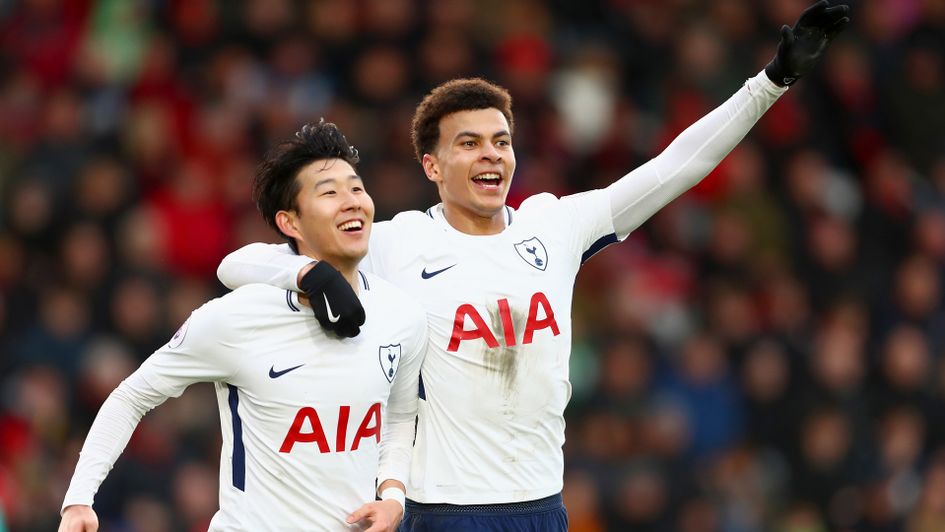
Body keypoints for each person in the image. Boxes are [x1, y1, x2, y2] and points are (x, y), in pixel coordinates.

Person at [216, 2, 850, 530]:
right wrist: (306, 275)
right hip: (439, 512)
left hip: (542, 508)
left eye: (501, 141)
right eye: (468, 143)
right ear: (432, 166)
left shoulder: (554, 225)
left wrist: (770, 82)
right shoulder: (392, 244)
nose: (491, 155)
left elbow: (676, 167)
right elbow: (237, 263)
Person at [58, 120, 428, 531]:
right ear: (290, 223)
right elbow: (132, 396)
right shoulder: (235, 318)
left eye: (356, 188)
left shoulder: (402, 315)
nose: (351, 201)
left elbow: (399, 418)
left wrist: (393, 495)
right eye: (329, 192)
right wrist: (79, 499)